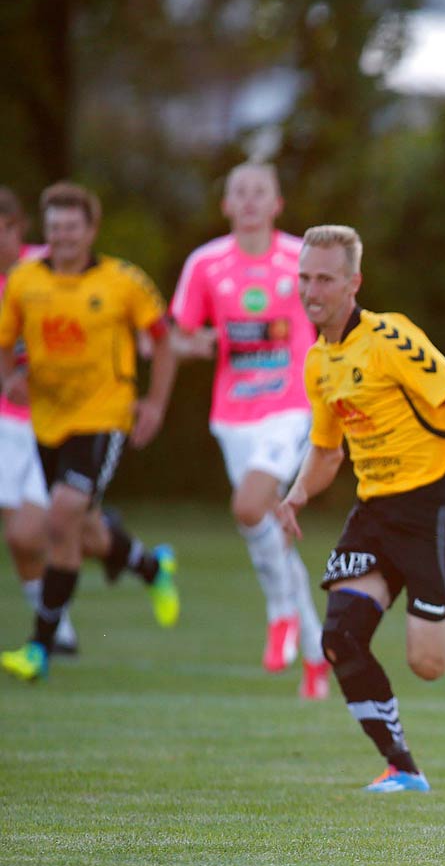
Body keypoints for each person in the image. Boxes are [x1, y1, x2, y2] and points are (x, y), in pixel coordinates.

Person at [274, 225, 445, 793]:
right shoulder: (318, 362)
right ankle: (402, 768)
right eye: (304, 278)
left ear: (353, 283)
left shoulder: (390, 337)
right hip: (375, 513)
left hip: (436, 505)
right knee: (339, 636)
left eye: (325, 278)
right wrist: (295, 494)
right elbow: (325, 452)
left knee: (428, 663)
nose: (311, 290)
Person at [0, 182, 180, 682]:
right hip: (48, 420)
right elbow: (6, 337)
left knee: (61, 517)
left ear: (90, 230)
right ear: (46, 229)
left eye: (72, 228)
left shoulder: (123, 282)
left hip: (104, 416)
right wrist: (9, 377)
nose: (63, 237)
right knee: (83, 528)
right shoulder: (24, 281)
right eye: (55, 227)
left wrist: (156, 405)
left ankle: (40, 646)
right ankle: (150, 566)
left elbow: (164, 341)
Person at [170, 162, 330, 697]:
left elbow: (334, 318)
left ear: (278, 202)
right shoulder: (206, 263)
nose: (251, 200)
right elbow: (179, 335)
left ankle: (280, 613)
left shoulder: (300, 259)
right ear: (227, 205)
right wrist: (198, 344)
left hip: (291, 408)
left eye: (261, 191)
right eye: (240, 192)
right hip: (232, 415)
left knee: (248, 506)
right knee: (275, 530)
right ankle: (313, 653)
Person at [0, 187, 77, 655]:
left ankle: (133, 555)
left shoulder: (48, 268)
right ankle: (60, 631)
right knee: (22, 541)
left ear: (17, 227)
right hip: (8, 425)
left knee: (34, 529)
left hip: (58, 421)